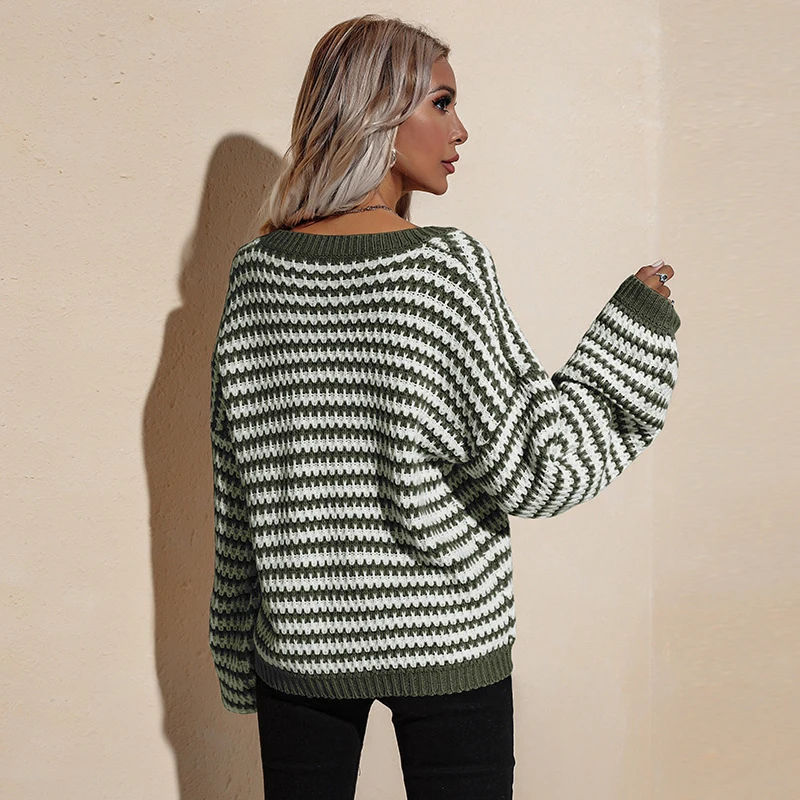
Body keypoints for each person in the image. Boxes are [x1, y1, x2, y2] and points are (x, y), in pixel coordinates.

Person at [208, 14, 680, 800]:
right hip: (449, 638)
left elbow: (237, 492)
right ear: (379, 114)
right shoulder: (443, 270)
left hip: (297, 647)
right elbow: (540, 466)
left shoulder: (256, 274)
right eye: (442, 103)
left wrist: (235, 654)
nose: (460, 129)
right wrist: (633, 329)